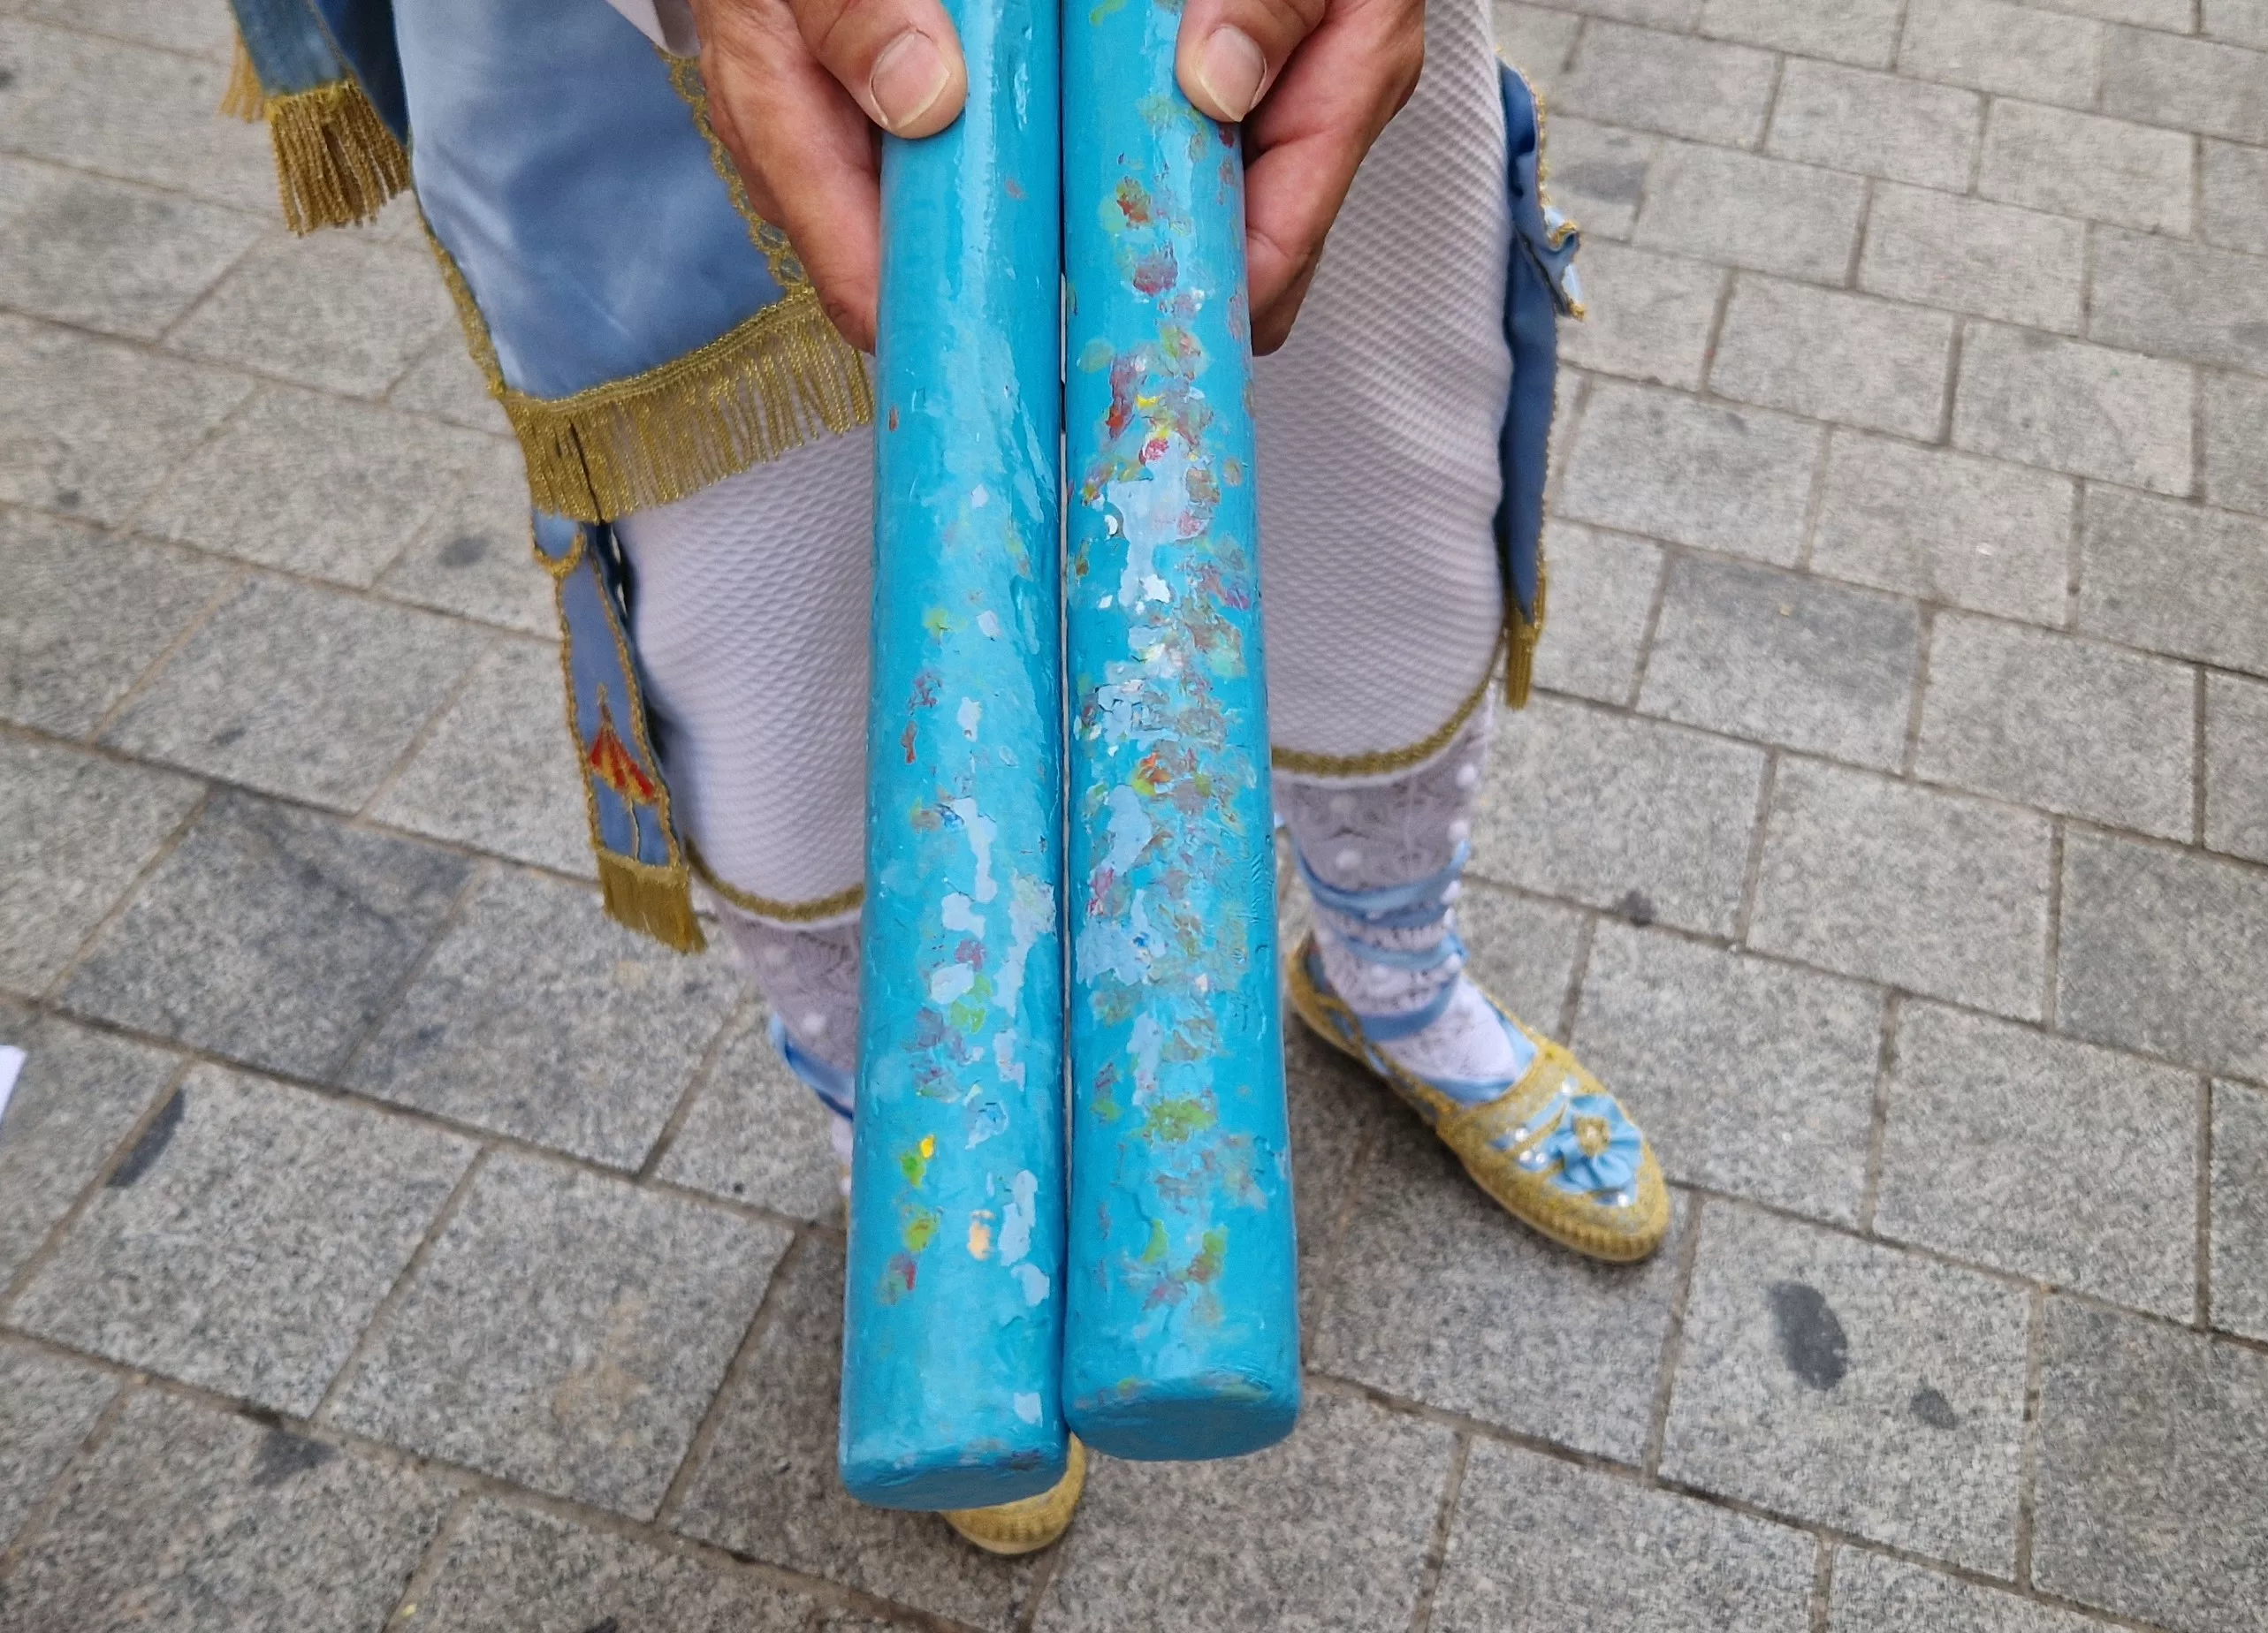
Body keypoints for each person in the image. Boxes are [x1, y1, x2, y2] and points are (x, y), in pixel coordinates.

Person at [223, 0, 1663, 1554]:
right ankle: (928, 1173)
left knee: (1367, 533)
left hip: (1247, 57)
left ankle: (1389, 979)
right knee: (787, 673)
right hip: (669, 97)